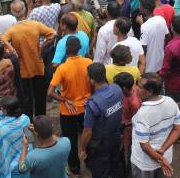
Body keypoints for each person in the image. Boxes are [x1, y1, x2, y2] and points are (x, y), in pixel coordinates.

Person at [47, 35, 91, 175]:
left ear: (66, 49)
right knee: (87, 134)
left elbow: (50, 93)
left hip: (68, 110)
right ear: (79, 49)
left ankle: (74, 168)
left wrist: (64, 100)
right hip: (86, 107)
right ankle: (89, 161)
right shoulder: (89, 62)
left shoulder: (62, 68)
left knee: (71, 140)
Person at [131, 73, 180, 178]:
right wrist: (163, 150)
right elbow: (178, 128)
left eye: (139, 86)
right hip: (166, 156)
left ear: (149, 92)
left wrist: (161, 160)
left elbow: (145, 146)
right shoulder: (170, 101)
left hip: (145, 164)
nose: (136, 88)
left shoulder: (142, 114)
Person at [80, 63, 124, 178]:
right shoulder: (117, 89)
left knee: (100, 172)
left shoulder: (92, 104)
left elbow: (87, 131)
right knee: (115, 165)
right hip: (116, 137)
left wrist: (83, 149)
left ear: (92, 80)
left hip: (100, 144)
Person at [0, 96, 31, 178]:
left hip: (10, 167)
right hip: (26, 157)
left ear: (5, 111)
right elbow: (30, 139)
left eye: (1, 107)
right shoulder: (25, 119)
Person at [139, 0, 169, 73]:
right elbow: (168, 36)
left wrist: (141, 23)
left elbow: (143, 48)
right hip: (160, 61)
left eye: (141, 7)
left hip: (149, 66)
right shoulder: (161, 19)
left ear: (145, 9)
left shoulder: (144, 26)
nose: (140, 8)